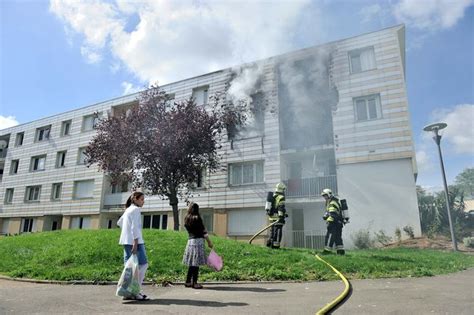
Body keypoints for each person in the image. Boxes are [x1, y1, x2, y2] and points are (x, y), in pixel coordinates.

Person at [117, 191, 149, 300]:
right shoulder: (135, 210)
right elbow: (135, 227)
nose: (143, 202)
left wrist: (127, 235)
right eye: (141, 199)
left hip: (126, 241)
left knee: (130, 268)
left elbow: (119, 222)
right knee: (143, 265)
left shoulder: (127, 210)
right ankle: (137, 291)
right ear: (135, 199)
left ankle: (127, 292)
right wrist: (135, 242)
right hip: (136, 242)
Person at [182, 202, 213, 289]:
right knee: (196, 263)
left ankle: (188, 282)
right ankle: (195, 283)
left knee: (192, 263)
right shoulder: (198, 218)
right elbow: (204, 232)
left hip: (190, 242)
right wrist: (209, 242)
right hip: (198, 241)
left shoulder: (186, 219)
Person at [321, 188, 345, 255]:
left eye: (325, 195)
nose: (324, 197)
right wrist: (326, 216)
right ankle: (341, 252)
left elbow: (333, 214)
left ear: (329, 194)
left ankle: (327, 251)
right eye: (323, 196)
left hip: (333, 223)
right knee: (338, 238)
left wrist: (328, 221)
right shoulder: (333, 201)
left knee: (329, 236)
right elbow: (331, 212)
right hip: (339, 223)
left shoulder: (332, 202)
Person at [266, 183, 287, 249]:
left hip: (272, 217)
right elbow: (281, 207)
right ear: (282, 190)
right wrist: (281, 216)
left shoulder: (273, 196)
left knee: (272, 231)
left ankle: (269, 244)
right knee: (278, 231)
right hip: (278, 218)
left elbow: (274, 207)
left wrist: (285, 214)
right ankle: (275, 246)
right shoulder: (281, 197)